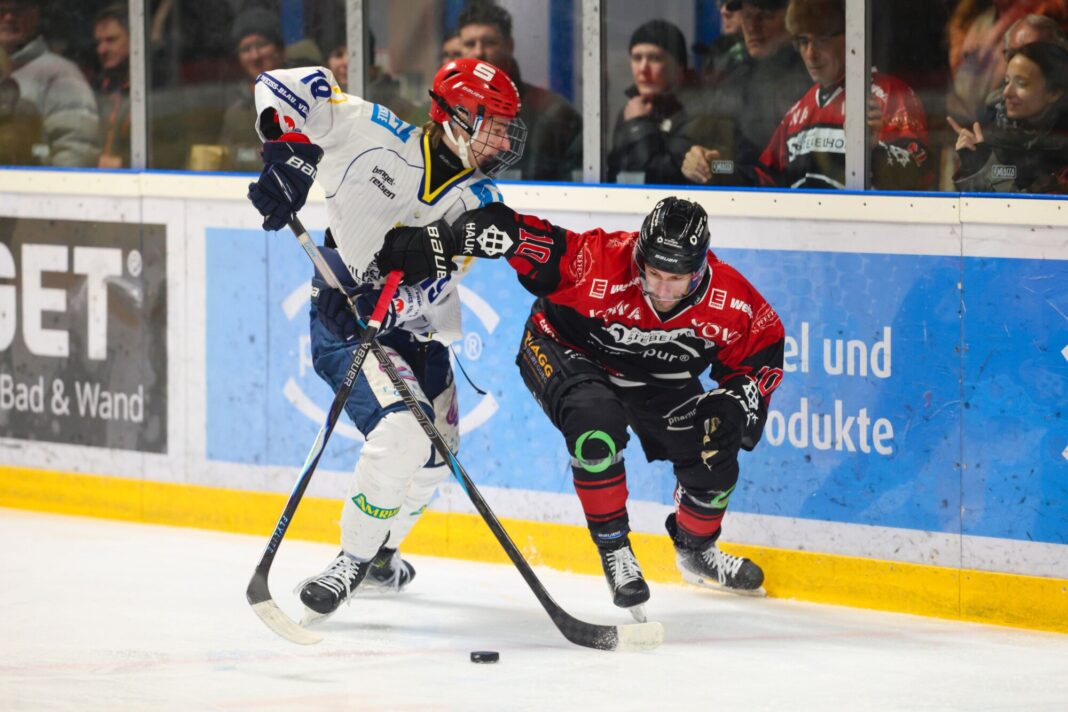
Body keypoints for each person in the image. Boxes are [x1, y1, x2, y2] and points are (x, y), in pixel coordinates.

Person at [375, 197, 785, 619]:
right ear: (640, 258)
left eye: (676, 279)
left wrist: (735, 403)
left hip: (658, 378)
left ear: (698, 270)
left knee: (715, 455)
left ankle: (697, 551)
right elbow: (522, 235)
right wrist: (458, 236)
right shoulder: (602, 260)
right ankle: (615, 550)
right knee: (595, 428)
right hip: (566, 350)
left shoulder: (732, 302)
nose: (662, 290)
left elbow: (761, 357)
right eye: (653, 273)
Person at [245, 57, 527, 621]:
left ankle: (381, 555)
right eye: (491, 124)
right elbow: (278, 87)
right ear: (453, 115)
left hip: (418, 334)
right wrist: (289, 151)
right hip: (346, 322)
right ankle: (350, 562)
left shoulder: (483, 202)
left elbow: (443, 281)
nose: (502, 139)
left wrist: (396, 303)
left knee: (436, 459)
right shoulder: (369, 131)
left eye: (506, 127)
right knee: (402, 435)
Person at [753, 0, 933, 190]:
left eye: (822, 39)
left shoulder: (891, 95)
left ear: (850, 36)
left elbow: (918, 174)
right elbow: (764, 181)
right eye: (804, 42)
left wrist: (874, 151)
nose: (811, 54)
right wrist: (730, 172)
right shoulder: (798, 112)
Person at [681, 0, 812, 186]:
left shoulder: (815, 79)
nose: (752, 27)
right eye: (747, 16)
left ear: (792, 19)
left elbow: (779, 174)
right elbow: (743, 169)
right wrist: (706, 165)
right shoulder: (738, 78)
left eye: (765, 16)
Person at [457, 0, 581, 181]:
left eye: (489, 42)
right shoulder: (448, 113)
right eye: (469, 44)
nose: (478, 52)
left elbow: (576, 190)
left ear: (509, 46)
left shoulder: (554, 114)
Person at [948, 40, 1068, 193]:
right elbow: (972, 205)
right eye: (1006, 81)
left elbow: (1024, 206)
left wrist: (985, 167)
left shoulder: (1061, 150)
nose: (1007, 92)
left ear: (1054, 93)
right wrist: (973, 166)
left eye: (1022, 83)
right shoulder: (996, 139)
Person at [0, 0, 99, 166]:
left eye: (18, 8)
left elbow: (76, 153)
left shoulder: (60, 74)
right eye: (1, 9)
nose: (8, 17)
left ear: (35, 14)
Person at [607, 19, 692, 185]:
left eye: (654, 58)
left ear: (679, 68)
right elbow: (613, 174)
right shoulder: (630, 111)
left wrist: (638, 125)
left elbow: (665, 177)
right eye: (637, 58)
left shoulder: (695, 113)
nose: (643, 69)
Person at [218, 8, 286, 172]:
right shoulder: (235, 109)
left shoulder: (302, 97)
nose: (255, 56)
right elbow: (225, 156)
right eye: (246, 49)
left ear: (280, 50)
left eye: (261, 45)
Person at [93, 3, 130, 169]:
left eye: (111, 40)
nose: (101, 49)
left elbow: (171, 149)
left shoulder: (156, 89)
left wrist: (125, 164)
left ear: (135, 39)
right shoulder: (96, 90)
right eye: (98, 42)